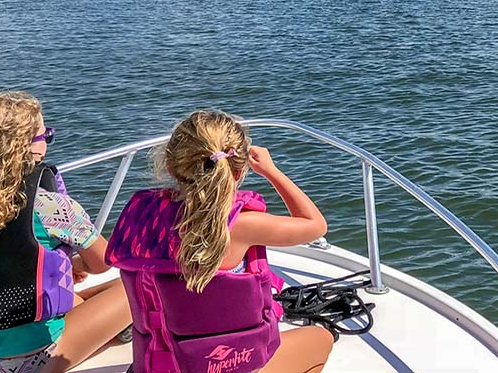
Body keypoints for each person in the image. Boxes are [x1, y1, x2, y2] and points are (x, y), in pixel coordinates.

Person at [106, 111, 332, 373]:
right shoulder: (244, 226)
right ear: (238, 172)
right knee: (320, 339)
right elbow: (315, 225)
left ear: (171, 167)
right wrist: (271, 171)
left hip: (157, 365)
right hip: (228, 365)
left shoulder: (143, 216)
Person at [0, 91, 132, 373]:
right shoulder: (50, 205)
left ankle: (106, 328)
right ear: (24, 147)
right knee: (135, 287)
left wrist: (59, 267)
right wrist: (78, 263)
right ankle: (113, 333)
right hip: (28, 360)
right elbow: (104, 262)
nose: (47, 142)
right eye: (45, 135)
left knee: (75, 298)